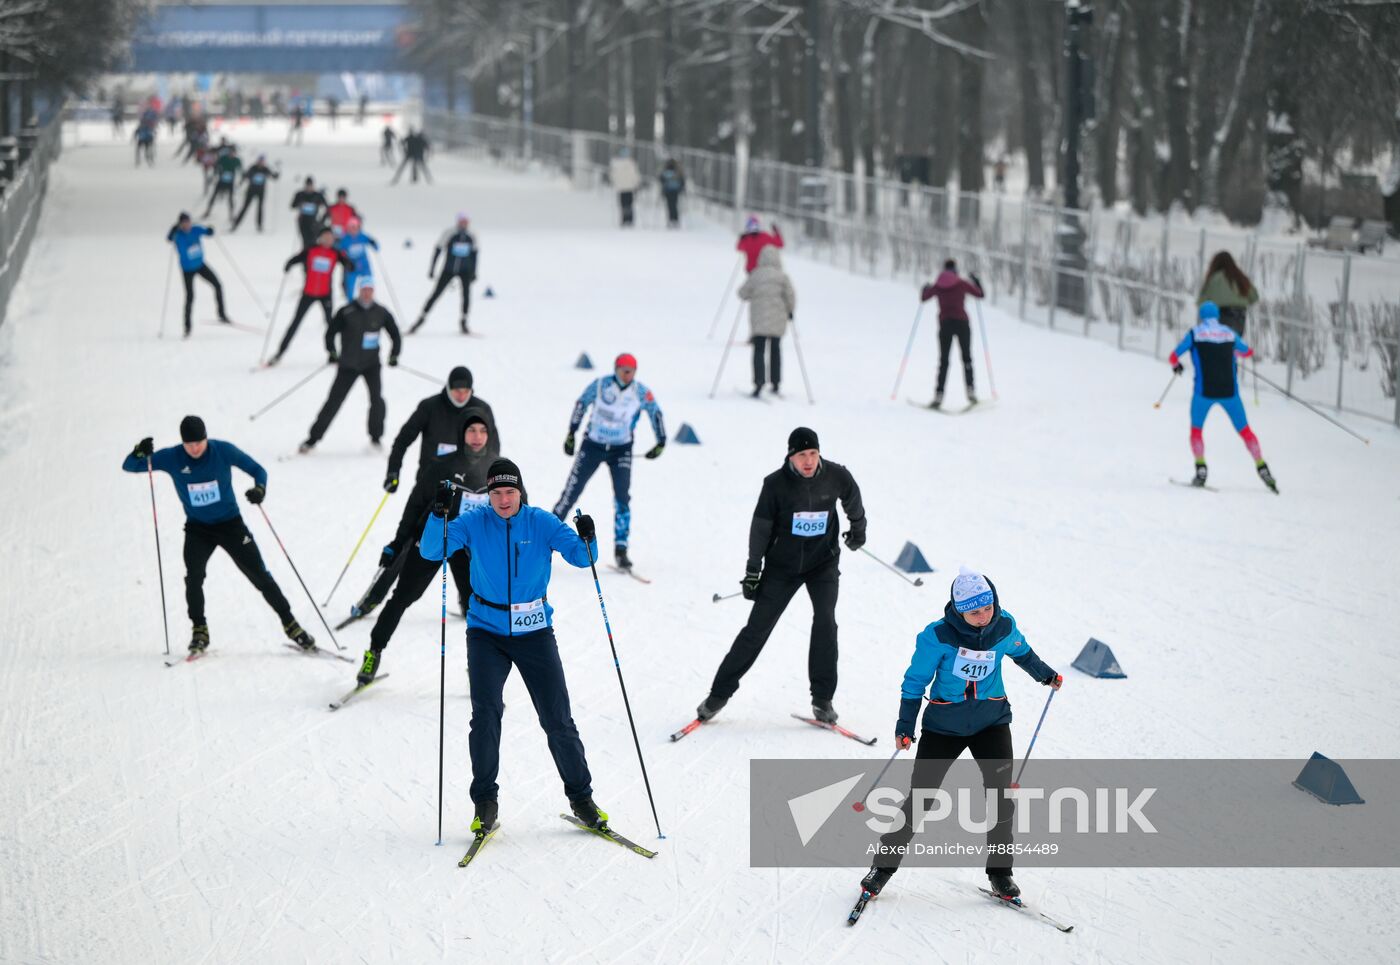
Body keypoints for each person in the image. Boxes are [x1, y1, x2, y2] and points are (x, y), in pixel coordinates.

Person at [421, 458, 610, 837]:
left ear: (520, 492)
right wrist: (437, 513)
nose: (503, 499)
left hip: (535, 631)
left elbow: (582, 557)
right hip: (486, 631)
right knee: (486, 716)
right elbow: (432, 550)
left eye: (510, 492)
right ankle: (485, 803)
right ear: (488, 495)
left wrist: (589, 536)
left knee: (558, 719)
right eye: (496, 492)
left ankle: (582, 799)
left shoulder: (541, 522)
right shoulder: (475, 522)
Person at [858, 568, 1063, 904]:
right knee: (921, 798)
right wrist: (904, 726)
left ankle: (1000, 872)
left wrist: (1046, 675)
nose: (982, 618)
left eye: (987, 609)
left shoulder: (1005, 625)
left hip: (991, 722)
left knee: (1000, 797)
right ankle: (882, 867)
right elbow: (914, 683)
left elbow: (1022, 653)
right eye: (973, 612)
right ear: (957, 609)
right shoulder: (936, 636)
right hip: (944, 727)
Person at [696, 427, 865, 725]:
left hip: (822, 563)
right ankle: (718, 695)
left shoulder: (836, 476)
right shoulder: (775, 484)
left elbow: (852, 498)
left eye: (813, 453)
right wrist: (752, 571)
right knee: (756, 629)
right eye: (802, 455)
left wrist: (858, 529)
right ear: (791, 456)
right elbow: (760, 528)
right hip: (782, 567)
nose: (809, 461)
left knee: (826, 620)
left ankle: (823, 700)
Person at [121, 416, 315, 654]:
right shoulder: (172, 457)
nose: (195, 448)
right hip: (198, 529)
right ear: (183, 443)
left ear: (206, 437)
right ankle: (199, 629)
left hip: (231, 525)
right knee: (194, 577)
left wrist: (259, 489)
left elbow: (257, 470)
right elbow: (130, 466)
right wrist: (139, 453)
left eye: (199, 442)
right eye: (190, 444)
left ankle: (290, 623)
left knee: (258, 573)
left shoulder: (222, 450)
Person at [355, 411, 496, 685]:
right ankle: (374, 652)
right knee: (403, 597)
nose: (477, 437)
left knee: (477, 608)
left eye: (482, 431)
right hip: (432, 541)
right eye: (471, 431)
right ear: (462, 434)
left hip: (468, 549)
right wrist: (398, 543)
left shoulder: (496, 468)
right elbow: (415, 505)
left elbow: (515, 508)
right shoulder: (442, 466)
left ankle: (480, 669)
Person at [350, 366, 501, 620]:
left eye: (466, 391)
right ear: (448, 388)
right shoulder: (430, 407)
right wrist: (393, 472)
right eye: (457, 390)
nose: (462, 395)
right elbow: (403, 439)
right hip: (431, 493)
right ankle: (373, 599)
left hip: (467, 495)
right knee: (410, 546)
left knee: (467, 552)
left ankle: (469, 602)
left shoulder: (481, 411)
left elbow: (493, 452)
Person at [551, 353, 665, 571]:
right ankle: (547, 538)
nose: (627, 375)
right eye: (623, 370)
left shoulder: (639, 392)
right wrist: (571, 433)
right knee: (571, 492)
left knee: (623, 498)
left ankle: (621, 551)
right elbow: (581, 404)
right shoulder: (601, 385)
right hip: (593, 445)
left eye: (631, 371)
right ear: (616, 369)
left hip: (621, 449)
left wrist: (661, 441)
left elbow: (655, 413)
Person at [1169, 301, 1278, 492]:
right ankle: (1262, 468)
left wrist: (1177, 366)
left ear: (1202, 316)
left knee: (1196, 430)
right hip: (1230, 393)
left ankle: (1201, 470)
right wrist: (1232, 353)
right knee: (1245, 431)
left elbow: (1174, 356)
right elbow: (1248, 352)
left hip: (1204, 392)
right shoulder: (1229, 333)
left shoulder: (1195, 333)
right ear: (1217, 316)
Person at [300, 279, 401, 453]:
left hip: (371, 365)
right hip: (348, 365)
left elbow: (395, 335)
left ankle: (375, 438)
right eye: (364, 290)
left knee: (377, 400)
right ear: (359, 291)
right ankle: (312, 439)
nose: (367, 293)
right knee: (333, 402)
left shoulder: (381, 312)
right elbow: (330, 333)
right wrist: (332, 352)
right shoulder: (347, 311)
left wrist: (394, 355)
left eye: (370, 290)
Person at [269, 227, 354, 364]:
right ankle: (279, 353)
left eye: (330, 238)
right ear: (320, 238)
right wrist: (289, 264)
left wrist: (350, 265)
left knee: (330, 325)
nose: (328, 240)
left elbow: (348, 264)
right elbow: (296, 258)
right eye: (325, 237)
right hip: (308, 293)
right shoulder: (311, 250)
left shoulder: (335, 253)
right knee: (295, 323)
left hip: (325, 294)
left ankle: (333, 354)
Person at [919, 259, 985, 409]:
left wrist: (925, 288)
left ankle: (939, 394)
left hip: (945, 325)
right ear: (955, 270)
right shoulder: (961, 283)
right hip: (962, 323)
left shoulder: (938, 285)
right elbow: (980, 294)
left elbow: (924, 298)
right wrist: (977, 281)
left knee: (943, 361)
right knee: (967, 358)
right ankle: (971, 391)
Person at [739, 246, 796, 398]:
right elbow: (790, 296)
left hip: (759, 320)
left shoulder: (756, 275)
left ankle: (758, 382)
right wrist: (790, 310)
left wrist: (750, 295)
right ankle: (776, 383)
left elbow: (742, 293)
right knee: (775, 350)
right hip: (778, 319)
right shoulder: (782, 277)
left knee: (759, 350)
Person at [411, 214, 478, 334]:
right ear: (458, 222)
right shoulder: (449, 233)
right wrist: (432, 269)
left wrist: (474, 272)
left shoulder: (472, 235)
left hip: (465, 271)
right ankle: (421, 319)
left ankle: (464, 322)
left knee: (466, 296)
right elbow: (438, 250)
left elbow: (474, 255)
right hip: (449, 270)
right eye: (462, 221)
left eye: (466, 222)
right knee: (436, 294)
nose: (464, 224)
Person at [166, 212, 230, 336]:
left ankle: (222, 315)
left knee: (218, 285)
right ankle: (187, 327)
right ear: (180, 224)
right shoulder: (178, 235)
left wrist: (210, 230)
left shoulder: (196, 230)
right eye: (184, 223)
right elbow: (169, 239)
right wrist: (172, 231)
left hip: (200, 265)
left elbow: (207, 232)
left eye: (188, 222)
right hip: (187, 270)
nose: (187, 225)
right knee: (190, 297)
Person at [1197, 250, 1259, 337]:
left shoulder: (1214, 279)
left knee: (1220, 346)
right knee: (1233, 345)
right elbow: (1254, 297)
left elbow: (1201, 302)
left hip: (1220, 316)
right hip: (1240, 317)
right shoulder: (1240, 278)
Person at [231, 154, 279, 232]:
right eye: (260, 161)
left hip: (261, 191)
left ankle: (259, 226)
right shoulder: (253, 168)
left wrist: (276, 175)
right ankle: (235, 224)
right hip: (251, 191)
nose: (261, 163)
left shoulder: (265, 169)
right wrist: (242, 181)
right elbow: (246, 175)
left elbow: (273, 176)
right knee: (245, 207)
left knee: (260, 208)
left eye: (262, 161)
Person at [336, 217, 380, 300]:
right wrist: (344, 258)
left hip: (364, 265)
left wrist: (374, 243)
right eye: (351, 228)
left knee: (368, 283)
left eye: (355, 227)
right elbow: (340, 251)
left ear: (358, 227)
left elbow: (375, 246)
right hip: (352, 266)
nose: (353, 230)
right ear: (347, 228)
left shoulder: (362, 236)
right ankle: (350, 302)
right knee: (350, 286)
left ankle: (369, 299)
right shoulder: (345, 239)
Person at [203, 143, 242, 220]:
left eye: (233, 153)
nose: (232, 154)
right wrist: (214, 174)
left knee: (230, 198)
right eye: (231, 153)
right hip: (221, 181)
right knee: (214, 196)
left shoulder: (236, 160)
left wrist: (240, 180)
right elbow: (216, 166)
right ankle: (208, 211)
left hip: (230, 182)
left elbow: (240, 170)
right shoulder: (223, 158)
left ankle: (231, 214)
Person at [290, 178, 329, 249]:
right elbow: (292, 205)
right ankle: (305, 255)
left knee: (313, 239)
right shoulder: (300, 194)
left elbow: (327, 207)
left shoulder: (317, 195)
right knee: (305, 240)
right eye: (307, 185)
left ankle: (312, 254)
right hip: (302, 221)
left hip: (314, 221)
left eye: (310, 185)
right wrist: (300, 204)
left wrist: (322, 220)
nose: (309, 188)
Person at [609, 149, 642, 227]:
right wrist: (636, 184)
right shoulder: (632, 164)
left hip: (621, 188)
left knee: (623, 205)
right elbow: (636, 176)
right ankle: (630, 220)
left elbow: (612, 176)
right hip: (630, 188)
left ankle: (624, 220)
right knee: (629, 205)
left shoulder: (616, 164)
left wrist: (615, 183)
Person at [659, 159, 686, 228]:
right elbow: (682, 180)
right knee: (674, 205)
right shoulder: (677, 170)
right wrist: (682, 188)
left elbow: (661, 179)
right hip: (675, 190)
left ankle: (671, 220)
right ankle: (675, 220)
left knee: (669, 205)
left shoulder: (665, 170)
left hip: (668, 190)